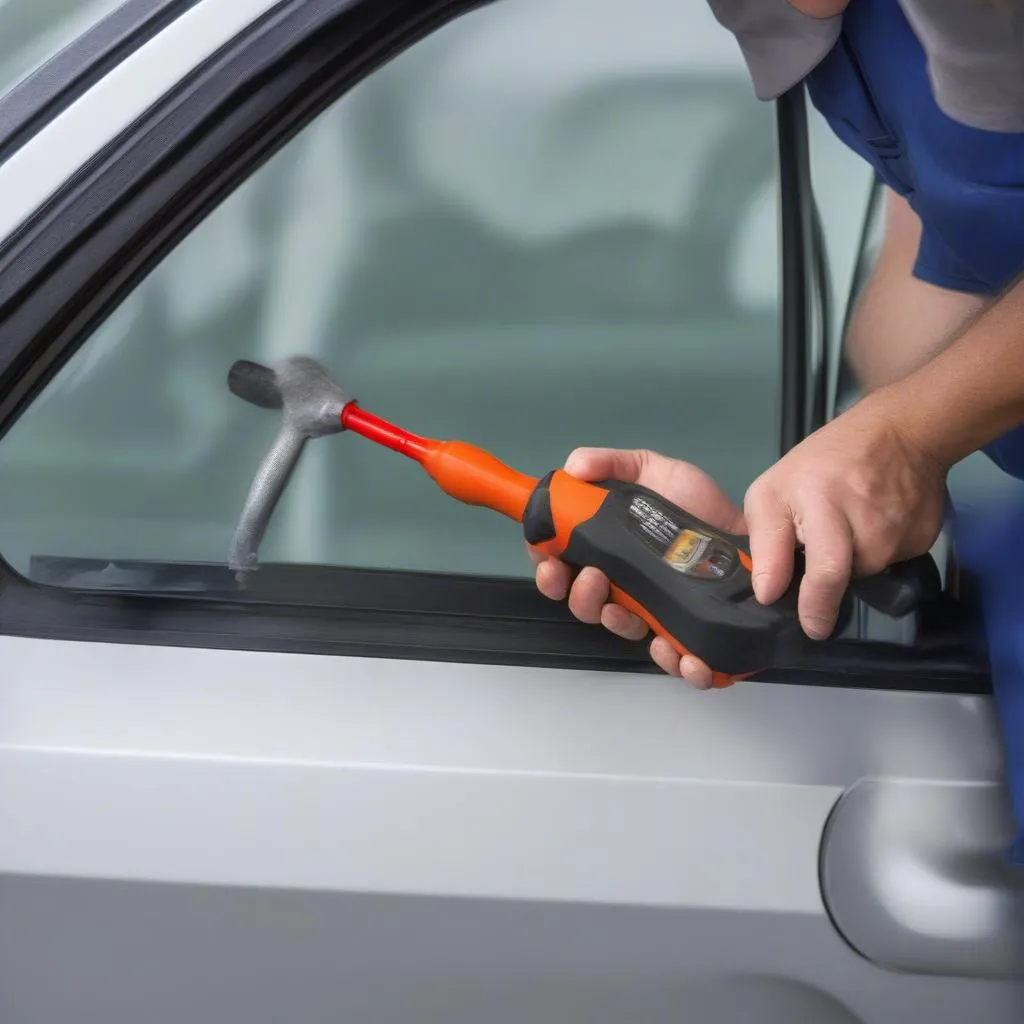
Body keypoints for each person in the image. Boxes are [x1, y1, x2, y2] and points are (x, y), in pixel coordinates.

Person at [528, 0, 1024, 860]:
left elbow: (919, 408)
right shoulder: (829, 43)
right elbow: (922, 320)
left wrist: (908, 436)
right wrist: (787, 527)